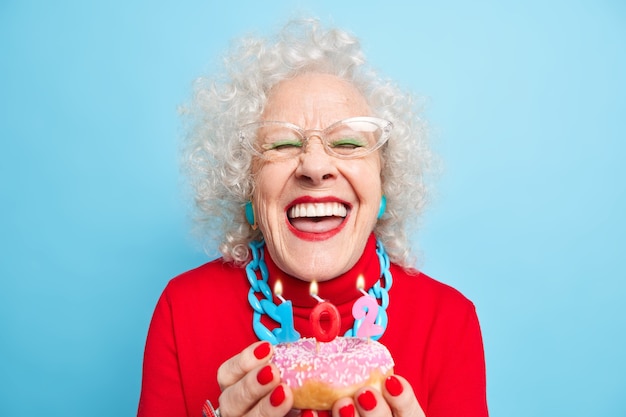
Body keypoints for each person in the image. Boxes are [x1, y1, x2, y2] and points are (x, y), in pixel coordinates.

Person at [138, 19, 488, 417]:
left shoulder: (449, 322)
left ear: (382, 186)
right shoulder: (183, 310)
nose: (315, 166)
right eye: (283, 142)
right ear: (247, 187)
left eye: (347, 142)